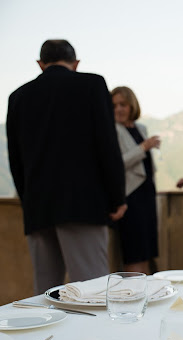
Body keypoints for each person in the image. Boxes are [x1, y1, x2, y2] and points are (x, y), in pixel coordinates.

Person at [6, 39, 126, 294]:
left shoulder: (18, 97)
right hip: (83, 204)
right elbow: (107, 144)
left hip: (38, 207)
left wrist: (28, 201)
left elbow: (15, 160)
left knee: (46, 295)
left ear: (41, 64)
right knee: (92, 290)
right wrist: (117, 197)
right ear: (76, 63)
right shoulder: (92, 85)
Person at [111, 86, 160, 274]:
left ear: (132, 105)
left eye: (123, 104)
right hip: (130, 197)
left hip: (147, 194)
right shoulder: (113, 131)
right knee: (134, 252)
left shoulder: (141, 128)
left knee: (146, 252)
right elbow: (116, 164)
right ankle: (133, 293)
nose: (119, 109)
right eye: (114, 105)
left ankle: (147, 292)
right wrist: (143, 147)